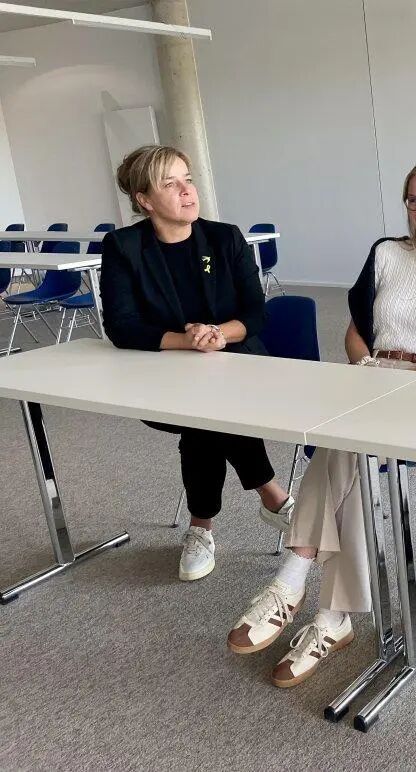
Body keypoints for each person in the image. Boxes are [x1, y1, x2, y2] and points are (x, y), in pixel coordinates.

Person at [227, 160, 416, 687]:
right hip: (367, 378)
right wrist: (366, 370)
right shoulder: (386, 253)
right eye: (413, 200)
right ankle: (333, 617)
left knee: (345, 445)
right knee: (351, 452)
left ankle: (292, 578)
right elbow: (355, 331)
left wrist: (394, 390)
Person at [100, 144, 294, 582]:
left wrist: (219, 335)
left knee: (204, 419)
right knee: (203, 412)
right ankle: (273, 495)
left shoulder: (225, 238)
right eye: (171, 184)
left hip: (237, 363)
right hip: (163, 375)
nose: (187, 191)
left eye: (188, 179)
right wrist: (186, 342)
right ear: (145, 200)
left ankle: (201, 526)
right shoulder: (124, 247)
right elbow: (122, 326)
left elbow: (256, 313)